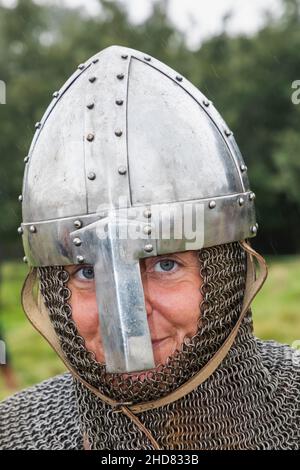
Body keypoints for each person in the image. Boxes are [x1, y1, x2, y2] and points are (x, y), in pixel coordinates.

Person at [0, 46, 298, 450]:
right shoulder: (16, 434)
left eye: (165, 265)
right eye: (87, 272)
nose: (127, 317)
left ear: (230, 270)